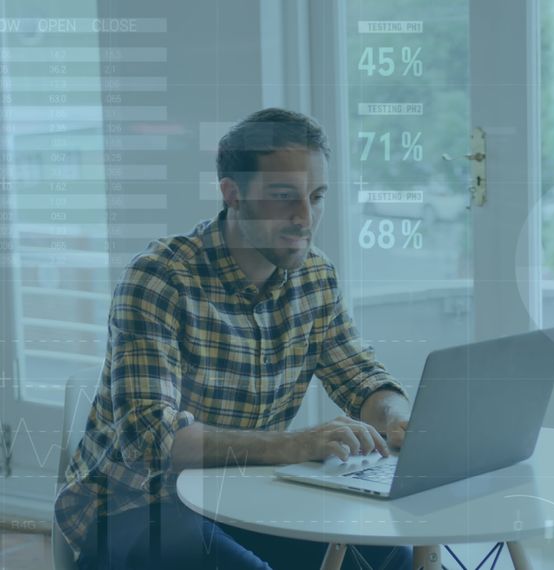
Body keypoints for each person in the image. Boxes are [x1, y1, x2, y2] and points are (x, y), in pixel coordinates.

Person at [54, 108, 414, 569]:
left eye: (317, 196)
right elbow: (150, 437)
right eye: (284, 196)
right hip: (135, 510)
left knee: (389, 554)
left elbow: (360, 375)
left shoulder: (315, 277)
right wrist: (295, 444)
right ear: (233, 194)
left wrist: (397, 418)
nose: (305, 217)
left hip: (245, 500)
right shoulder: (161, 278)